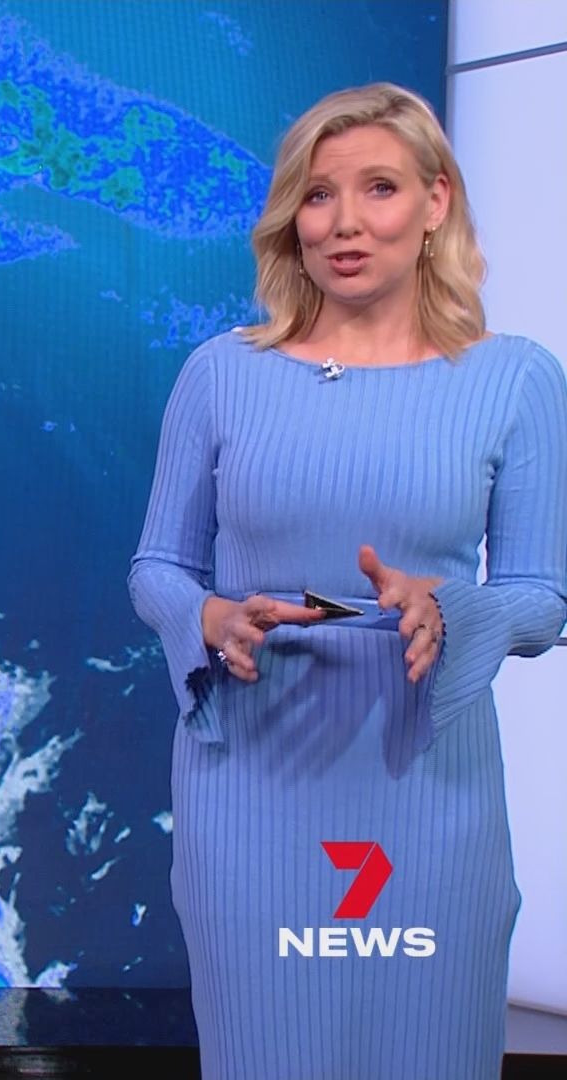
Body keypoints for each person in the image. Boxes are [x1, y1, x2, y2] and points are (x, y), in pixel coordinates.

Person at [128, 82, 567, 1080]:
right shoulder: (221, 374)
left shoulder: (516, 379)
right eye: (318, 195)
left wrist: (451, 609)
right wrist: (209, 616)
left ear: (436, 201)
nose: (345, 223)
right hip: (250, 783)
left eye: (379, 188)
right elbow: (158, 567)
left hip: (430, 780)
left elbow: (546, 598)